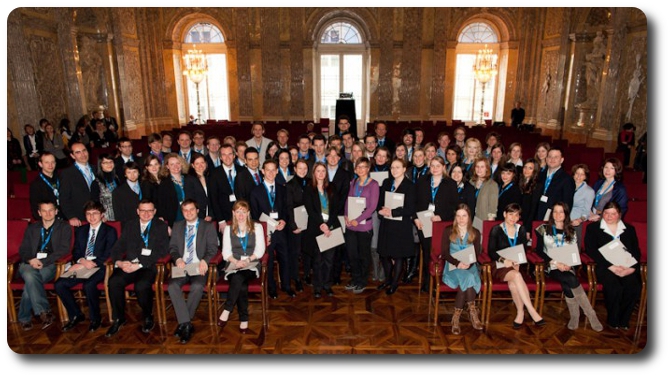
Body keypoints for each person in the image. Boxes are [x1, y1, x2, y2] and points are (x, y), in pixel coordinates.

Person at [535, 202, 603, 331]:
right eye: (555, 211)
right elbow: (539, 251)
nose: (558, 214)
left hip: (567, 265)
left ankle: (575, 316)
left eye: (561, 211)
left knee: (568, 281)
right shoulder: (543, 228)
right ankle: (590, 314)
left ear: (566, 214)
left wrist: (568, 264)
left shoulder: (571, 230)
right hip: (550, 266)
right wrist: (555, 262)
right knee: (570, 280)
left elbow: (574, 251)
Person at [106, 199, 169, 337]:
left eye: (150, 211)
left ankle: (148, 316)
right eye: (143, 210)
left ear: (155, 212)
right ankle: (118, 318)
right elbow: (118, 247)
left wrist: (139, 264)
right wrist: (119, 263)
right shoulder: (130, 225)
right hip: (128, 264)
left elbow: (162, 251)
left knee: (141, 285)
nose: (146, 214)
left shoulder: (160, 226)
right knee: (114, 281)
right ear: (137, 211)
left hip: (148, 265)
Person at [55, 201, 117, 333]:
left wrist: (92, 263)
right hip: (82, 265)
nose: (92, 216)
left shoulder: (110, 231)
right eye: (88, 214)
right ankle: (76, 314)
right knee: (60, 284)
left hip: (101, 266)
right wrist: (82, 261)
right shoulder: (81, 230)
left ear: (102, 215)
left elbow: (110, 253)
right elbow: (76, 250)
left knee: (89, 285)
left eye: (95, 213)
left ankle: (95, 319)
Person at [585, 201, 642, 331]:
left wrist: (631, 268)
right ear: (602, 213)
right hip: (605, 266)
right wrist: (610, 266)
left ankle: (624, 319)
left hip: (626, 266)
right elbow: (591, 250)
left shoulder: (629, 229)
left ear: (619, 215)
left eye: (613, 214)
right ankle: (613, 319)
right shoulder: (593, 228)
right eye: (606, 213)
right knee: (614, 287)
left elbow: (635, 251)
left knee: (633, 287)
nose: (609, 216)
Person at [167, 199, 217, 343]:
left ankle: (183, 323)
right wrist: (177, 259)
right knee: (172, 286)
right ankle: (187, 324)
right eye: (185, 210)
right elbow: (173, 248)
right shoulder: (177, 226)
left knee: (197, 286)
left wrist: (205, 260)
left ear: (197, 210)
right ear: (182, 212)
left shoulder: (207, 226)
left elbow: (213, 248)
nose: (188, 213)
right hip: (182, 266)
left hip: (198, 266)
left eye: (191, 209)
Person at [488, 203, 545, 328]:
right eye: (510, 214)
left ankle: (520, 313)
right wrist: (505, 260)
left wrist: (517, 262)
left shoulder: (521, 229)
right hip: (499, 264)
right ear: (504, 214)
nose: (513, 218)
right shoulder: (496, 229)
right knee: (516, 276)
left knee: (514, 283)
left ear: (519, 217)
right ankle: (532, 310)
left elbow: (523, 249)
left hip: (516, 263)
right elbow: (491, 251)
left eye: (516, 215)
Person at [17, 200, 71, 331]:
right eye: (44, 211)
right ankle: (44, 311)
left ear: (56, 211)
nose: (48, 213)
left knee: (30, 280)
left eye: (51, 210)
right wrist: (31, 260)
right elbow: (23, 250)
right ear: (39, 213)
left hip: (50, 265)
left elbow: (64, 250)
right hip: (28, 264)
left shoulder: (64, 227)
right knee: (30, 274)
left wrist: (44, 262)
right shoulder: (32, 228)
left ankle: (24, 317)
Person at [217, 200, 266, 334]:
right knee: (241, 283)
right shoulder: (228, 229)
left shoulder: (257, 227)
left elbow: (260, 250)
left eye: (243, 212)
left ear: (248, 213)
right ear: (233, 213)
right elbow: (226, 252)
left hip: (252, 263)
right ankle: (244, 320)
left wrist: (248, 260)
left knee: (238, 278)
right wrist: (236, 261)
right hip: (234, 263)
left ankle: (227, 309)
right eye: (238, 212)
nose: (241, 215)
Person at [413, 156, 458, 291]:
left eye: (438, 166)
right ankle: (427, 282)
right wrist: (415, 218)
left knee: (441, 253)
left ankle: (441, 281)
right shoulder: (422, 181)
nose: (435, 168)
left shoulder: (450, 183)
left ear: (444, 167)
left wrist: (442, 216)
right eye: (432, 165)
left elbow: (455, 207)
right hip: (424, 222)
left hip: (442, 225)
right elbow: (414, 202)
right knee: (427, 252)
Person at [249, 159, 293, 298]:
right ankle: (271, 287)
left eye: (273, 170)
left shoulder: (283, 189)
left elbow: (287, 209)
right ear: (262, 171)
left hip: (281, 230)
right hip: (265, 233)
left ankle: (286, 285)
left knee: (285, 258)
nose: (271, 173)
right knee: (267, 262)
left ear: (277, 171)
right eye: (268, 170)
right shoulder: (255, 192)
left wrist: (284, 221)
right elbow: (255, 216)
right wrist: (263, 233)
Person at [440, 204, 483, 334]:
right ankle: (473, 313)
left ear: (469, 217)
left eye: (464, 216)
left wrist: (468, 265)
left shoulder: (475, 232)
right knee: (469, 279)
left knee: (468, 278)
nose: (461, 219)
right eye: (458, 216)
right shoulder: (448, 230)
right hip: (453, 267)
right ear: (455, 217)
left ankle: (456, 318)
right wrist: (458, 263)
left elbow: (476, 253)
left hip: (470, 266)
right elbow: (445, 252)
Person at [377, 158, 416, 295]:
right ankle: (387, 279)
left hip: (401, 225)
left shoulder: (410, 186)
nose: (394, 170)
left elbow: (410, 208)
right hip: (387, 224)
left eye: (398, 167)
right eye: (392, 167)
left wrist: (393, 212)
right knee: (384, 254)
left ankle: (394, 283)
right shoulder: (386, 183)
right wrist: (380, 211)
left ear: (404, 169)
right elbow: (380, 202)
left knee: (398, 256)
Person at [303, 162, 342, 298]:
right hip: (316, 228)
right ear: (314, 173)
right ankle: (318, 287)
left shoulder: (332, 187)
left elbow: (336, 208)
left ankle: (327, 285)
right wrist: (321, 224)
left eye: (323, 171)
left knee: (329, 260)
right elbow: (310, 210)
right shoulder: (309, 188)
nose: (320, 173)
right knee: (318, 261)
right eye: (318, 171)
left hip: (331, 228)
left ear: (326, 173)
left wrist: (328, 224)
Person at [344, 157, 380, 294]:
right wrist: (346, 216)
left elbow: (372, 207)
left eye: (363, 166)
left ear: (368, 168)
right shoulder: (353, 182)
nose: (361, 169)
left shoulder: (374, 185)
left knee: (363, 255)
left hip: (364, 226)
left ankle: (362, 280)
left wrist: (357, 220)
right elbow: (348, 201)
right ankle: (355, 278)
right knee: (352, 254)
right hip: (351, 225)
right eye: (358, 167)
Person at [532, 147, 575, 221]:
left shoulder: (567, 179)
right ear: (546, 159)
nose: (552, 159)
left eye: (556, 157)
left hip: (553, 216)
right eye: (550, 156)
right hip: (537, 214)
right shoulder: (540, 175)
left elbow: (567, 204)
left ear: (561, 160)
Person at [285, 159, 309, 290]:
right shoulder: (290, 185)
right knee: (295, 252)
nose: (302, 171)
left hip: (309, 223)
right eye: (300, 168)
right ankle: (296, 277)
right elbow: (288, 207)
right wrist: (294, 226)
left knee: (307, 250)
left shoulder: (310, 182)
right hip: (296, 224)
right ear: (294, 169)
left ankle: (306, 275)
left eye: (305, 168)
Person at [60, 142, 96, 226]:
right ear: (72, 156)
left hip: (97, 215)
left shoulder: (96, 169)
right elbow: (64, 198)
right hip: (79, 218)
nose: (83, 154)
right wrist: (71, 216)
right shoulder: (67, 173)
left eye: (84, 150)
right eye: (78, 152)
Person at [156, 153, 197, 227]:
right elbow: (161, 205)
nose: (176, 166)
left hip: (192, 217)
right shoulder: (164, 184)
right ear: (167, 166)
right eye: (172, 164)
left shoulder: (190, 179)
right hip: (175, 220)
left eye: (178, 163)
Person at [210, 143, 243, 232]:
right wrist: (221, 220)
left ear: (234, 155)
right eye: (224, 155)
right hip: (224, 216)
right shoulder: (214, 174)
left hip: (242, 214)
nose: (227, 157)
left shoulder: (242, 170)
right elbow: (214, 198)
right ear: (220, 157)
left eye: (229, 154)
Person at [29, 152, 61, 220]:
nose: (50, 165)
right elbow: (35, 208)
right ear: (40, 164)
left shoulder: (62, 179)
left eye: (53, 162)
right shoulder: (36, 184)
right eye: (47, 162)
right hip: (48, 220)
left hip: (64, 218)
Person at [570, 164, 595, 247]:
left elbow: (586, 211)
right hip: (563, 220)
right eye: (577, 173)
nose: (578, 176)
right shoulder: (568, 186)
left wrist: (579, 220)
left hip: (576, 221)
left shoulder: (589, 191)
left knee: (573, 250)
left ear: (585, 177)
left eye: (582, 174)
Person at [91, 153, 120, 221]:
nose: (109, 164)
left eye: (111, 162)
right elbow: (95, 202)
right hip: (105, 217)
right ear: (100, 165)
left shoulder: (117, 179)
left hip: (119, 214)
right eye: (105, 162)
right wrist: (101, 215)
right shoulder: (96, 183)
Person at [184, 154, 214, 220]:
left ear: (206, 164)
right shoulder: (189, 179)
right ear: (192, 165)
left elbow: (214, 197)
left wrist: (211, 215)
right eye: (197, 163)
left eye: (202, 163)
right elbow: (190, 200)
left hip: (211, 216)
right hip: (197, 216)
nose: (200, 165)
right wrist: (202, 216)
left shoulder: (210, 177)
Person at [470, 157, 499, 221]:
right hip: (469, 218)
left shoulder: (492, 184)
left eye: (482, 167)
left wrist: (490, 221)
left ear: (487, 169)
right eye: (477, 166)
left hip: (482, 218)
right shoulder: (471, 182)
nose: (479, 169)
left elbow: (492, 207)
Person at [520, 159, 540, 240]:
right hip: (518, 219)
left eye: (530, 168)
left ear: (535, 171)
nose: (526, 170)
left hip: (527, 222)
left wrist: (528, 229)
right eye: (525, 167)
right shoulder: (520, 182)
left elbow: (533, 209)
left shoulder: (537, 185)